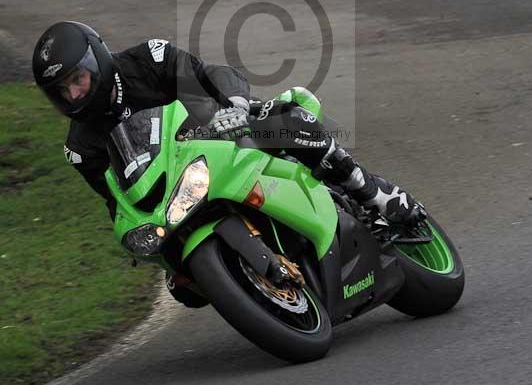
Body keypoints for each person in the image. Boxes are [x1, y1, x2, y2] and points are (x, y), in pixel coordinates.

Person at [32, 21, 421, 231]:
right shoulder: (81, 147)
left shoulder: (146, 60)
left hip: (224, 131)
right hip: (177, 188)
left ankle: (372, 194)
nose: (74, 94)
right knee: (187, 289)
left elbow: (210, 72)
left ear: (96, 62)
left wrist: (233, 104)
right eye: (62, 91)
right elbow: (114, 200)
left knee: (287, 121)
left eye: (77, 80)